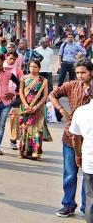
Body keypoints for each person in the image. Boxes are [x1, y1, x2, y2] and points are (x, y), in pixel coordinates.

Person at [50, 59, 93, 218]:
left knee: (88, 173)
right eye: (78, 73)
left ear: (91, 73)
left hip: (89, 139)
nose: (80, 76)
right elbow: (52, 94)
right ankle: (68, 204)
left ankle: (86, 207)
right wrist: (61, 109)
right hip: (70, 135)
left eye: (83, 72)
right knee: (70, 172)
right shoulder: (71, 85)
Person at [19, 59, 49, 160]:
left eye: (35, 67)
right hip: (25, 108)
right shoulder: (24, 78)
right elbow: (21, 92)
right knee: (25, 129)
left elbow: (45, 96)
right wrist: (26, 105)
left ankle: (36, 153)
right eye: (31, 67)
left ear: (39, 68)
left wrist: (36, 107)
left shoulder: (43, 81)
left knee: (37, 130)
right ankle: (23, 151)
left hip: (38, 108)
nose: (32, 69)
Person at [70, 99, 93, 223]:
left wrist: (78, 155)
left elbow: (75, 137)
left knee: (90, 199)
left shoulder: (81, 111)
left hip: (89, 161)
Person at [3, 52, 24, 151]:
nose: (12, 60)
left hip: (14, 98)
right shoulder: (0, 68)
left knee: (14, 120)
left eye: (14, 59)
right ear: (7, 57)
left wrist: (14, 94)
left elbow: (21, 85)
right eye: (10, 58)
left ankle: (13, 141)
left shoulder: (18, 71)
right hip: (0, 98)